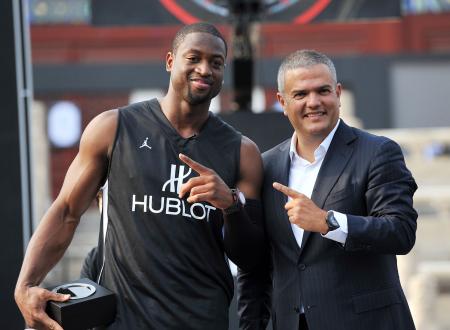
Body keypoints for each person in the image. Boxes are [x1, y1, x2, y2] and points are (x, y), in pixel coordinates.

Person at [15, 22, 265, 330]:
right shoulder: (113, 127)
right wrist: (26, 284)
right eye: (194, 58)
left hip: (201, 319)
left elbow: (252, 258)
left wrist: (230, 205)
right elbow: (67, 210)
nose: (205, 69)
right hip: (123, 318)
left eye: (216, 63)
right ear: (170, 61)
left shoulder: (243, 152)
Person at [237, 49, 418, 330]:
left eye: (322, 91)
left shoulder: (378, 152)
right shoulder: (266, 166)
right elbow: (256, 269)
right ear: (282, 102)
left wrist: (328, 221)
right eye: (300, 94)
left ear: (338, 93)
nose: (314, 102)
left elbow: (400, 231)